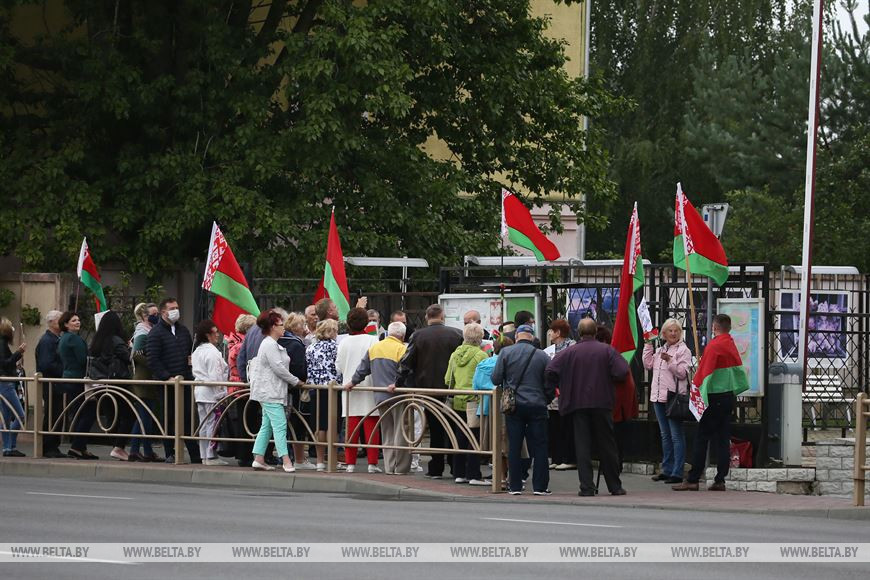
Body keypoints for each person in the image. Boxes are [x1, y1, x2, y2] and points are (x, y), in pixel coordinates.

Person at [545, 318, 629, 497]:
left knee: (582, 445)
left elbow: (551, 370)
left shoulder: (569, 352)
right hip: (602, 402)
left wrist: (558, 388)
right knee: (607, 445)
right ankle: (615, 486)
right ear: (595, 331)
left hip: (577, 403)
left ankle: (587, 487)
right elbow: (622, 371)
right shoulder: (606, 350)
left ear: (579, 332)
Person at [673, 314, 749, 492]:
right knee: (722, 439)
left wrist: (696, 388)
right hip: (728, 395)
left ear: (714, 327)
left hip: (714, 397)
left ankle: (693, 479)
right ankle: (720, 479)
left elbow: (704, 373)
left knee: (702, 437)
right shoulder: (730, 343)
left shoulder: (714, 346)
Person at [394, 304, 463, 478]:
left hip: (428, 389)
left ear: (427, 317)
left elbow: (406, 363)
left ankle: (436, 468)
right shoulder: (456, 334)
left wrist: (399, 384)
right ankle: (456, 467)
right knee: (454, 426)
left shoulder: (418, 335)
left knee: (435, 428)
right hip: (452, 388)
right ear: (443, 316)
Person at [491, 324, 553, 495]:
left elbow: (496, 379)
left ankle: (515, 486)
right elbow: (550, 382)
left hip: (514, 406)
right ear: (532, 337)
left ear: (517, 336)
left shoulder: (506, 352)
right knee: (540, 446)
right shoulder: (543, 356)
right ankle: (540, 487)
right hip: (537, 405)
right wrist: (545, 398)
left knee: (514, 445)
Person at [347, 321, 410, 474]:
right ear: (402, 335)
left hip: (380, 397)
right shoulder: (402, 349)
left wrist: (352, 382)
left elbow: (362, 369)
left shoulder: (375, 348)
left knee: (387, 431)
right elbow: (406, 371)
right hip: (398, 396)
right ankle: (400, 468)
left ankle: (389, 467)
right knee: (400, 431)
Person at [147, 297, 200, 464]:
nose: (176, 310)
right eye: (172, 308)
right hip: (167, 384)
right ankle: (170, 452)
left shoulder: (183, 331)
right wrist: (166, 376)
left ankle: (195, 455)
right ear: (163, 312)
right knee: (169, 418)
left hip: (184, 381)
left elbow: (190, 352)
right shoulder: (155, 333)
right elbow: (152, 359)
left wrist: (191, 367)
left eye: (177, 307)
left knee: (188, 418)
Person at [249, 310, 300, 473]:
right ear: (272, 326)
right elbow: (279, 368)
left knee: (268, 425)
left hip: (269, 390)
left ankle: (258, 458)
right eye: (280, 324)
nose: (283, 327)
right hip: (270, 391)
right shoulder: (270, 344)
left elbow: (278, 367)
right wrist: (296, 381)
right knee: (279, 425)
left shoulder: (269, 343)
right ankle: (286, 460)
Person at [643, 318, 691, 484]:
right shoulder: (660, 349)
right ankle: (667, 468)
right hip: (658, 397)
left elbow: (682, 373)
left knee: (676, 435)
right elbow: (647, 364)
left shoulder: (683, 350)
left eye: (676, 331)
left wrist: (670, 360)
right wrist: (648, 345)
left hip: (674, 398)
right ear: (663, 334)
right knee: (665, 435)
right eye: (670, 331)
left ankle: (677, 472)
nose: (673, 333)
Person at [444, 322, 490, 485]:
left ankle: (459, 473)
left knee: (459, 437)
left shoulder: (454, 354)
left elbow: (448, 379)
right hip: (475, 401)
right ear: (480, 338)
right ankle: (474, 474)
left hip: (457, 400)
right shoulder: (481, 356)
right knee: (474, 438)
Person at [337, 307, 381, 473]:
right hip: (369, 387)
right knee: (371, 428)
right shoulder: (373, 340)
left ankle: (350, 463)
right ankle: (372, 464)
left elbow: (339, 367)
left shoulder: (343, 342)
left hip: (349, 388)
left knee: (351, 429)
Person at [87, 311, 134, 461]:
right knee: (128, 415)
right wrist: (131, 347)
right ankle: (119, 447)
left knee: (111, 416)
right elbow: (128, 357)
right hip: (117, 383)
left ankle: (116, 446)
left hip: (100, 383)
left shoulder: (96, 340)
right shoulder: (116, 340)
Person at [595, 324, 639, 470]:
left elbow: (620, 375)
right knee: (614, 436)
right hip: (618, 402)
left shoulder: (611, 354)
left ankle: (612, 465)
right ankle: (613, 464)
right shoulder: (613, 353)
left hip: (615, 402)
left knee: (612, 436)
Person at [472, 335, 514, 484]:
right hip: (509, 406)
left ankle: (500, 476)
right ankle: (513, 476)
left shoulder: (484, 363)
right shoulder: (511, 362)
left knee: (495, 443)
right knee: (510, 443)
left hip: (487, 408)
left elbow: (475, 386)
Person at [59, 311, 98, 460]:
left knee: (78, 413)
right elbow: (84, 360)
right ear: (66, 324)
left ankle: (81, 447)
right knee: (88, 412)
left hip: (68, 379)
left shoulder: (64, 338)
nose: (78, 322)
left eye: (78, 319)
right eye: (74, 320)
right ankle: (77, 446)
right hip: (78, 380)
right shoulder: (74, 339)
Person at [192, 319, 229, 466]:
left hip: (200, 392)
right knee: (212, 424)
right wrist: (222, 394)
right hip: (212, 393)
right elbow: (216, 376)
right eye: (215, 332)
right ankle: (210, 455)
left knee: (204, 423)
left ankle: (205, 455)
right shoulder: (213, 353)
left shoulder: (197, 351)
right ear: (208, 335)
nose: (218, 335)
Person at [280, 313, 314, 470]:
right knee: (297, 424)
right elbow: (301, 368)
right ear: (294, 327)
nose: (304, 327)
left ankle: (284, 457)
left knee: (281, 425)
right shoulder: (295, 344)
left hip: (280, 387)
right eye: (302, 324)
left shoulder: (280, 340)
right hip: (295, 389)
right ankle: (299, 459)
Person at [129, 302, 162, 462]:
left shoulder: (151, 331)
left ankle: (146, 451)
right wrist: (154, 363)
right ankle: (135, 450)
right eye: (152, 314)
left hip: (148, 378)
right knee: (143, 416)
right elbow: (136, 354)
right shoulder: (142, 332)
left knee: (146, 416)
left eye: (157, 314)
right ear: (144, 316)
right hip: (143, 379)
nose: (156, 317)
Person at [305, 318, 339, 471]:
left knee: (319, 425)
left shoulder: (311, 348)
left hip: (315, 388)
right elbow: (339, 369)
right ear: (330, 331)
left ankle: (319, 461)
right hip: (332, 389)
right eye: (335, 330)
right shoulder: (336, 347)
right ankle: (332, 459)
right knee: (333, 425)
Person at [544, 319, 576, 471]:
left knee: (566, 427)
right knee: (554, 428)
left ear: (558, 332)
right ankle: (556, 458)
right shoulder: (550, 349)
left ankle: (568, 458)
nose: (549, 333)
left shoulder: (572, 346)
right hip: (553, 395)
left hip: (567, 392)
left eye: (552, 330)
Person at [226, 314, 256, 466]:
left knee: (244, 420)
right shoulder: (240, 345)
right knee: (245, 421)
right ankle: (244, 455)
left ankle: (244, 454)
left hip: (238, 386)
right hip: (242, 387)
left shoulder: (235, 342)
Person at [35, 310, 66, 458]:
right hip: (50, 383)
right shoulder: (48, 341)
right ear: (52, 323)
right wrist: (64, 370)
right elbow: (46, 364)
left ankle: (52, 445)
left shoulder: (54, 339)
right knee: (52, 414)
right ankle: (49, 447)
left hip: (54, 384)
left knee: (56, 413)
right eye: (60, 320)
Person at [0, 318, 27, 457]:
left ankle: (7, 448)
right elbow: (5, 363)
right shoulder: (2, 344)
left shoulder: (3, 344)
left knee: (5, 417)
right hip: (6, 384)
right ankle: (10, 444)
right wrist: (18, 353)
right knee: (20, 415)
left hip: (4, 383)